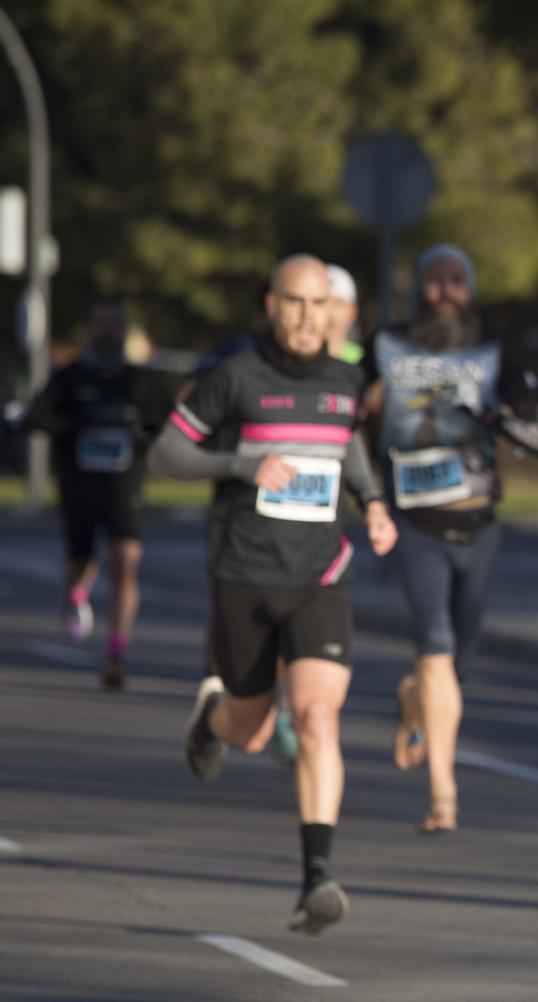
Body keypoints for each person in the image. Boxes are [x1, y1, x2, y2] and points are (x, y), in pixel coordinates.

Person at [150, 254, 397, 935]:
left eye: (320, 304)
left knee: (318, 717)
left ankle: (318, 873)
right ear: (271, 304)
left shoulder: (346, 381)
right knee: (253, 731)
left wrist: (372, 502)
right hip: (245, 570)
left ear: (335, 311)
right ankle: (211, 720)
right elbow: (165, 454)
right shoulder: (236, 377)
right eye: (294, 302)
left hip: (319, 574)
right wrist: (241, 463)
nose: (307, 317)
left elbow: (347, 447)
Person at [365, 243, 538, 834]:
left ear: (470, 289)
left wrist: (496, 418)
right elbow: (343, 413)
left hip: (478, 523)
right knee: (437, 644)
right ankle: (443, 793)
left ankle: (415, 696)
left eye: (457, 281)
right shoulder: (384, 345)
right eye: (435, 280)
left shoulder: (495, 350)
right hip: (415, 524)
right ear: (417, 286)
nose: (445, 291)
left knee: (457, 661)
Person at [31, 297, 165, 688]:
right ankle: (75, 590)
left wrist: (142, 438)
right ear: (90, 328)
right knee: (81, 559)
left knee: (125, 560)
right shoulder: (71, 376)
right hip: (79, 483)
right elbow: (40, 415)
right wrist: (75, 425)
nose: (108, 330)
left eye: (115, 323)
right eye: (101, 323)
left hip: (124, 482)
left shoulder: (138, 379)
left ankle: (116, 652)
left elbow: (164, 424)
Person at [324, 265, 365, 365]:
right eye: (322, 302)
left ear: (353, 312)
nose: (329, 310)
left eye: (338, 303)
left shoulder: (366, 363)